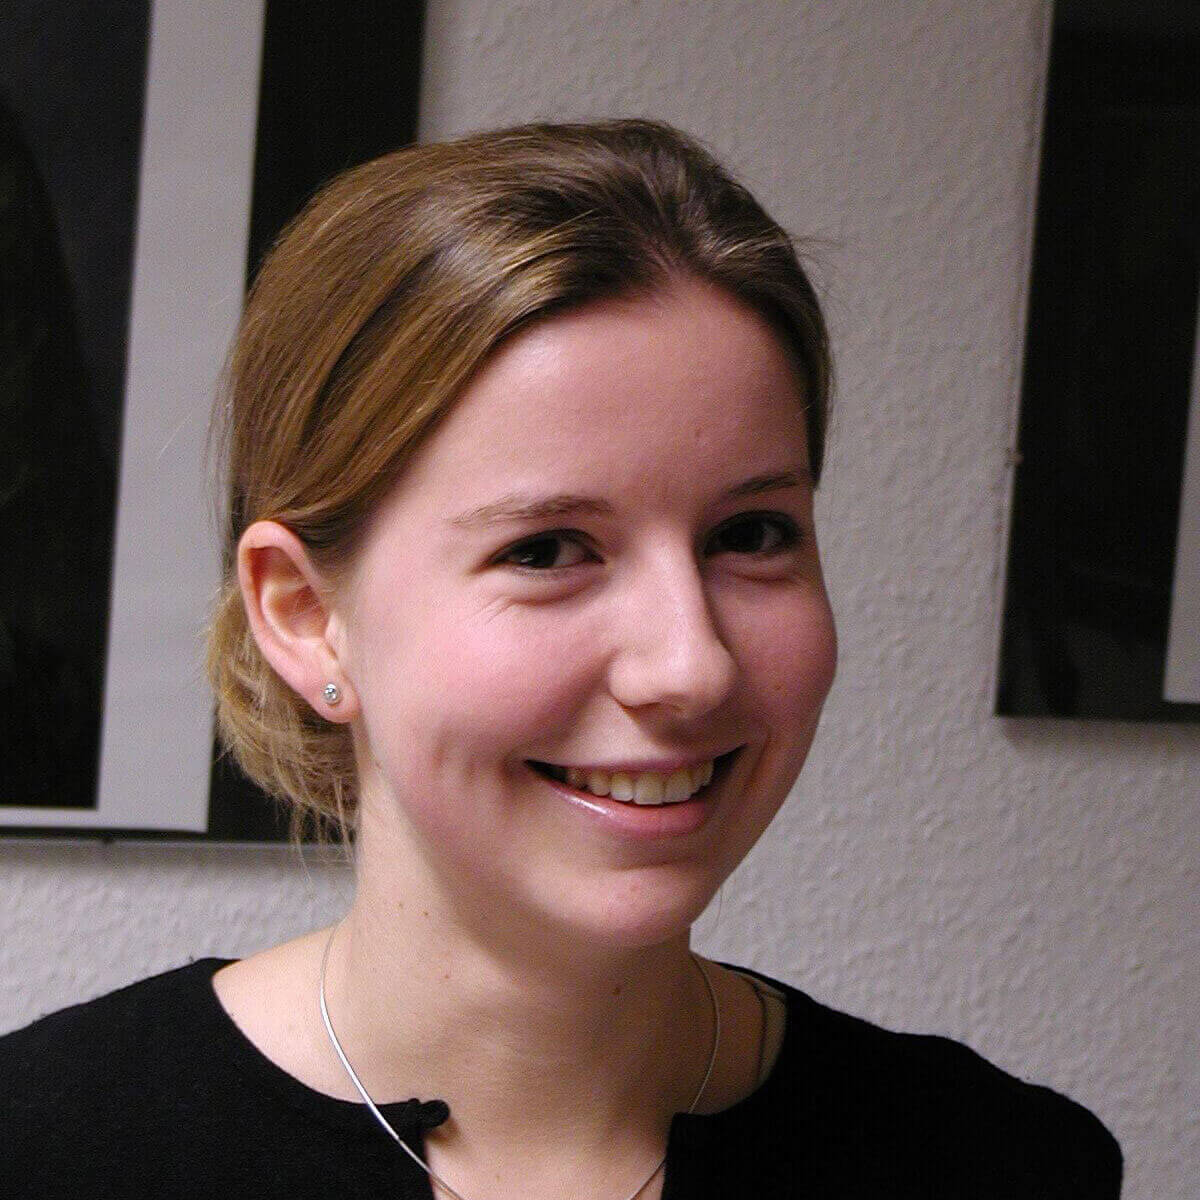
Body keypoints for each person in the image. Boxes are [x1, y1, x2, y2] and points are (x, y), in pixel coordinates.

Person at [0, 119, 1121, 1198]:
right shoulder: (49, 1153)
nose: (691, 666)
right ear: (304, 616)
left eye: (751, 534)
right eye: (546, 550)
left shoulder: (999, 1165)